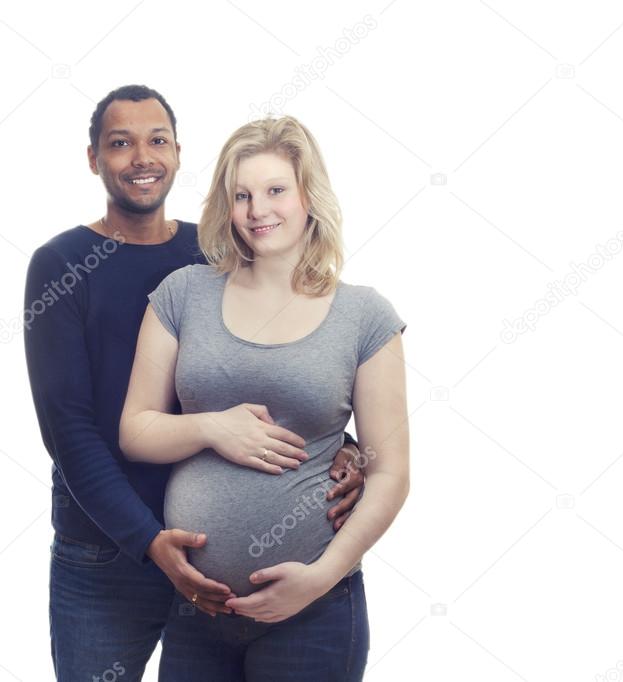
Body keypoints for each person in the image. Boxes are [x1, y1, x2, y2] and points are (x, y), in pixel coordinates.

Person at [23, 85, 368, 682]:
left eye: (157, 140)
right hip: (106, 552)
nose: (141, 158)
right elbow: (69, 432)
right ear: (93, 159)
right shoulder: (60, 265)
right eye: (120, 143)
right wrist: (150, 541)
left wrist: (345, 446)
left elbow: (290, 355)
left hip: (215, 566)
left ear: (179, 153)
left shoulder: (212, 253)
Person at [119, 114, 410, 680]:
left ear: (309, 198)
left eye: (276, 190)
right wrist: (210, 427)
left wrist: (320, 577)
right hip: (196, 609)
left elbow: (392, 471)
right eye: (242, 195)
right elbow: (136, 429)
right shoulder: (183, 294)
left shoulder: (364, 316)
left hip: (314, 614)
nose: (258, 211)